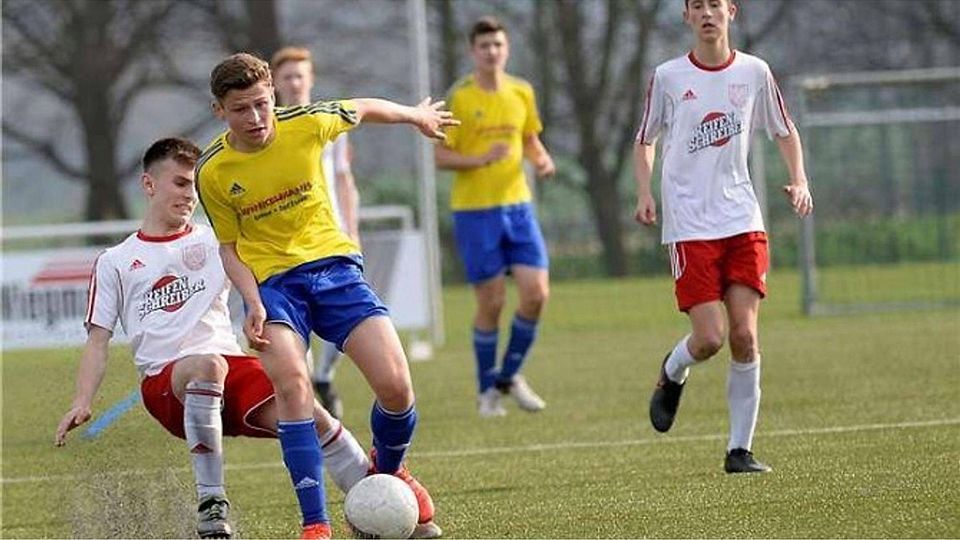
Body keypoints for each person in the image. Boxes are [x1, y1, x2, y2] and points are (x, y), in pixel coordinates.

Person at [54, 138, 371, 539]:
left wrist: (261, 312)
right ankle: (211, 502)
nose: (190, 195)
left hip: (233, 371)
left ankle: (378, 499)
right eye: (180, 183)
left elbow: (266, 281)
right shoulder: (115, 261)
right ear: (149, 184)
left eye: (195, 186)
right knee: (207, 365)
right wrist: (82, 401)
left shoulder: (218, 242)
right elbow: (98, 341)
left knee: (310, 414)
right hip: (167, 384)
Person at [196, 52, 454, 539]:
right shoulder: (212, 171)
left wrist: (415, 116)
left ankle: (388, 472)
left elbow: (365, 107)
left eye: (261, 104)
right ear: (219, 111)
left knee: (397, 387)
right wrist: (252, 301)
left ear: (273, 95)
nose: (255, 118)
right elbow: (228, 249)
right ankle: (315, 523)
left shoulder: (308, 122)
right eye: (240, 110)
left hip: (335, 271)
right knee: (294, 386)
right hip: (273, 287)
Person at [633, 0, 814, 473]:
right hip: (690, 225)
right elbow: (645, 139)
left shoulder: (754, 72)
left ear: (731, 11)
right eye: (697, 5)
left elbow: (784, 130)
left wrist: (799, 179)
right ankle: (672, 370)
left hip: (742, 219)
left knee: (744, 336)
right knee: (710, 338)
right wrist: (644, 192)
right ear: (687, 16)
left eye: (715, 4)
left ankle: (739, 451)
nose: (707, 13)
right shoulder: (668, 77)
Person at [435, 16, 556, 418]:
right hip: (475, 212)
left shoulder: (522, 91)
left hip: (518, 207)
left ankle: (509, 374)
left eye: (498, 45)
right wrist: (480, 159)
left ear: (507, 49)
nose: (492, 52)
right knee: (492, 302)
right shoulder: (461, 97)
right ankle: (487, 390)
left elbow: (529, 139)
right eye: (484, 46)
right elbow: (441, 155)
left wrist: (542, 160)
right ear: (473, 51)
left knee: (536, 294)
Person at [271, 46, 359, 420]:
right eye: (287, 76)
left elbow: (343, 179)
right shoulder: (266, 126)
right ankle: (308, 395)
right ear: (275, 83)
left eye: (300, 75)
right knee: (296, 325)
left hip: (331, 234)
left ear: (311, 79)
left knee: (351, 316)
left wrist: (352, 229)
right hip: (285, 243)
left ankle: (323, 376)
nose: (294, 82)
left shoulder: (328, 122)